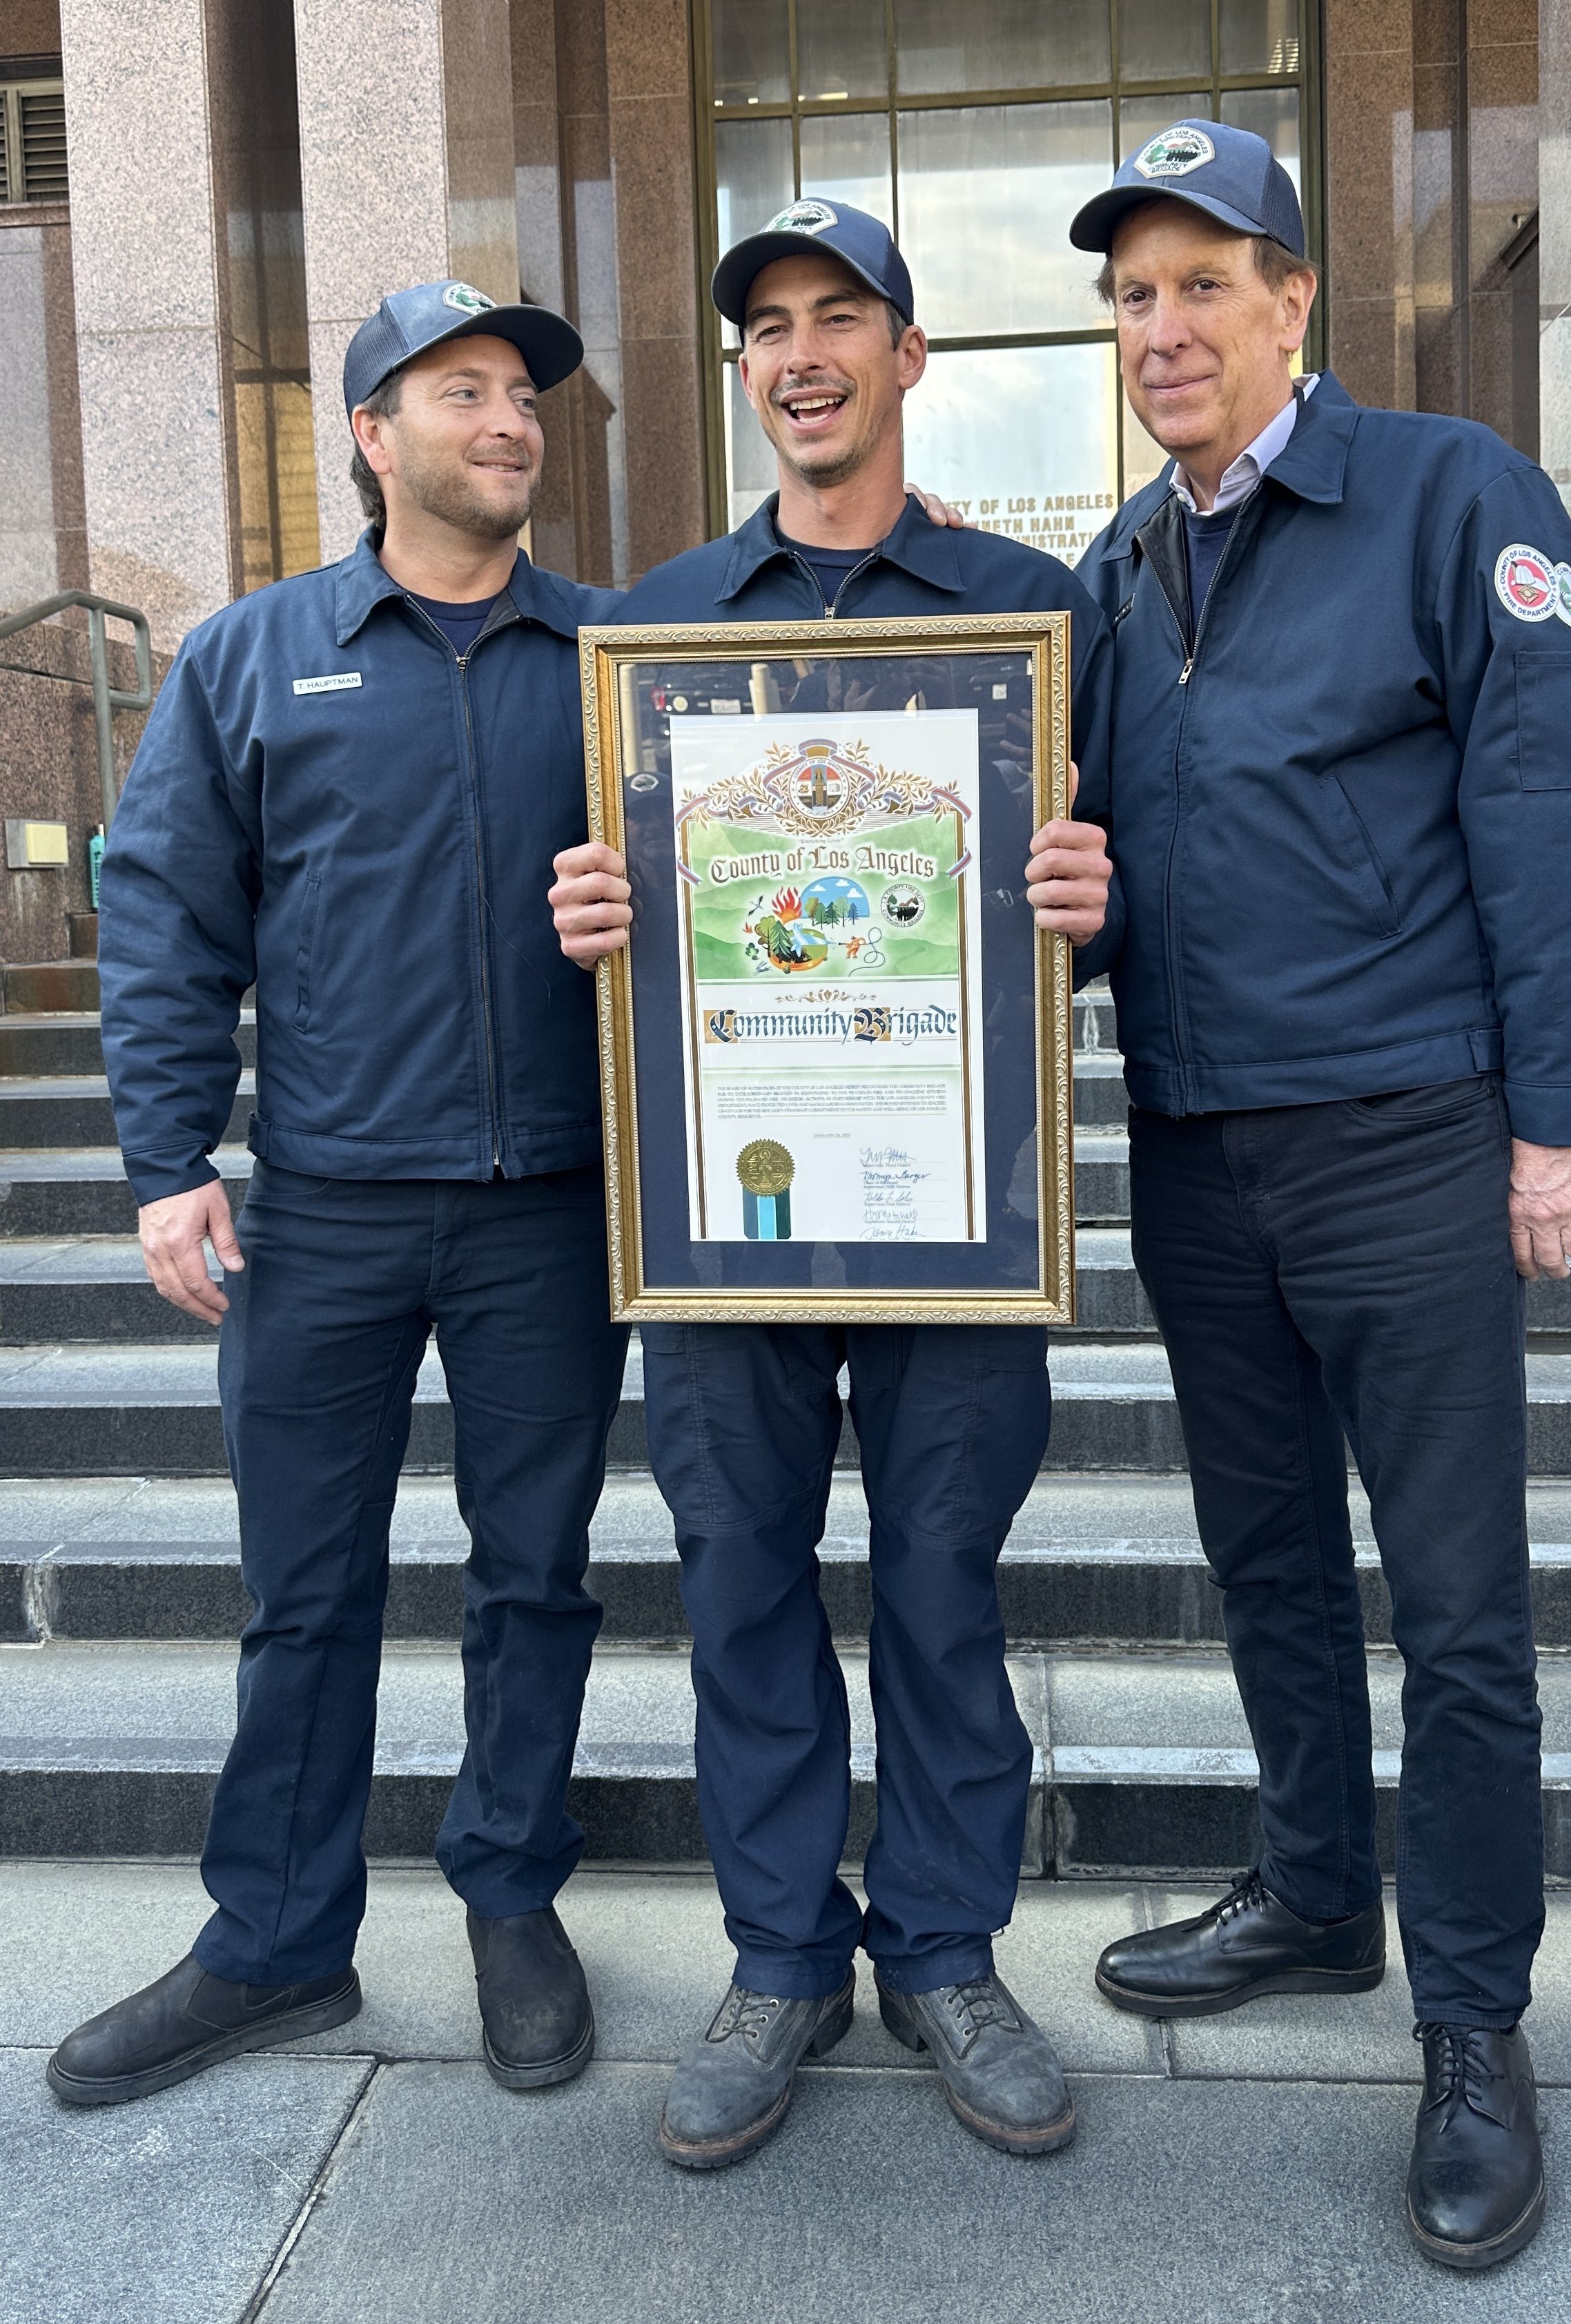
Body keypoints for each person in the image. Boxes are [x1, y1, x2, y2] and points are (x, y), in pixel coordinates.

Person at [1067, 121, 1571, 2268]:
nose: (1164, 328)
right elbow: (1121, 876)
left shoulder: (1446, 490)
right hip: (1201, 1155)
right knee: (1269, 1569)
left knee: (1461, 1616)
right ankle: (1319, 1896)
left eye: (1204, 282)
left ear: (1296, 297)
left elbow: (1563, 793)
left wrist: (1560, 1115)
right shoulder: (1123, 571)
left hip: (1408, 1136)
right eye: (1133, 294)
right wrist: (1067, 912)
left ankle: (1479, 2024)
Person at [549, 200, 1114, 2169]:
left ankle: (943, 1951)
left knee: (946, 1591)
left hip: (960, 1209)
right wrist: (598, 907)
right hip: (730, 1214)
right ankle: (782, 1957)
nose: (801, 354)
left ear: (908, 357)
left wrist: (1091, 908)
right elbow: (615, 926)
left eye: (840, 317)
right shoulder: (654, 634)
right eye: (768, 325)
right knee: (744, 1592)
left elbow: (1109, 909)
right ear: (746, 373)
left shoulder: (1030, 610)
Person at [48, 282, 633, 2107]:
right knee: (307, 1595)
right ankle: (275, 1941)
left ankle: (512, 1898)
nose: (510, 417)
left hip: (555, 1207)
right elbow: (157, 911)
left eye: (525, 390)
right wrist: (164, 1161)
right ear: (373, 436)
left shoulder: (612, 659)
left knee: (536, 1583)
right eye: (462, 389)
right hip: (325, 1214)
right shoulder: (251, 657)